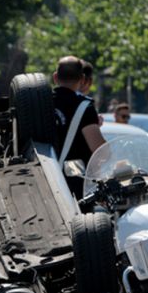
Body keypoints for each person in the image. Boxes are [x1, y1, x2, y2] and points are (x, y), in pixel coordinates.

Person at [53, 55, 105, 195]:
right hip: (74, 186)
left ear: (55, 77)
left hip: (46, 179)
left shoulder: (41, 102)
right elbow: (98, 149)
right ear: (82, 79)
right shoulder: (84, 107)